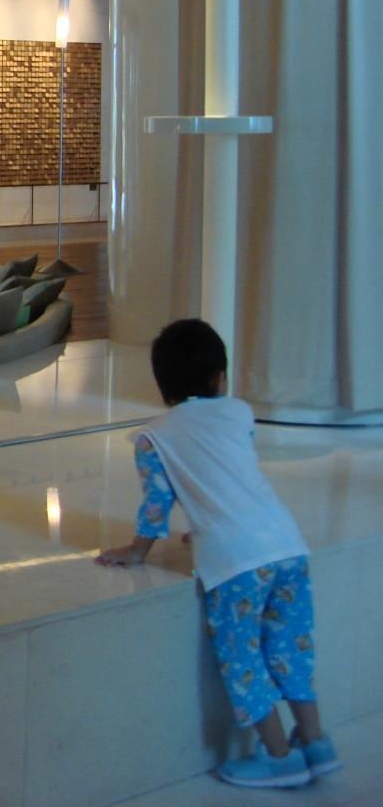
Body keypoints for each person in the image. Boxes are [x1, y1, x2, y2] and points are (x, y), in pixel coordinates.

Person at [95, 318, 340, 789]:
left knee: (242, 658)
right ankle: (316, 742)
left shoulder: (153, 436)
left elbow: (157, 503)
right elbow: (231, 475)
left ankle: (280, 757)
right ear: (219, 376)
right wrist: (206, 525)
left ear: (162, 382)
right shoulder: (239, 413)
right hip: (287, 546)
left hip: (236, 563)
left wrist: (138, 550)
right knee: (290, 649)